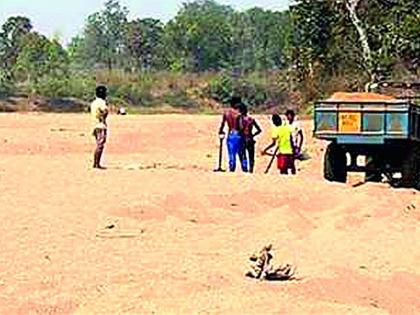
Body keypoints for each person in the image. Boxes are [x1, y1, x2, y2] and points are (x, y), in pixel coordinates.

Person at [219, 96, 246, 172]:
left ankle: (232, 168)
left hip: (230, 134)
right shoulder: (238, 113)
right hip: (238, 134)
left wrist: (221, 131)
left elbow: (222, 124)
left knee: (231, 153)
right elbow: (241, 126)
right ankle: (245, 169)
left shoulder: (226, 113)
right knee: (241, 153)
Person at [237, 104, 262, 173]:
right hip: (250, 139)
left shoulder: (240, 119)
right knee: (251, 156)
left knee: (243, 155)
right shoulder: (251, 119)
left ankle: (245, 169)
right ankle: (251, 169)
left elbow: (239, 129)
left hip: (243, 139)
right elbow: (259, 130)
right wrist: (253, 135)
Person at [91, 86, 109, 169]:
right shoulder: (102, 102)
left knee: (98, 144)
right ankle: (96, 163)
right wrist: (103, 117)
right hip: (101, 125)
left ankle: (96, 163)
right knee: (100, 145)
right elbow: (105, 111)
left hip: (94, 125)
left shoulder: (94, 102)